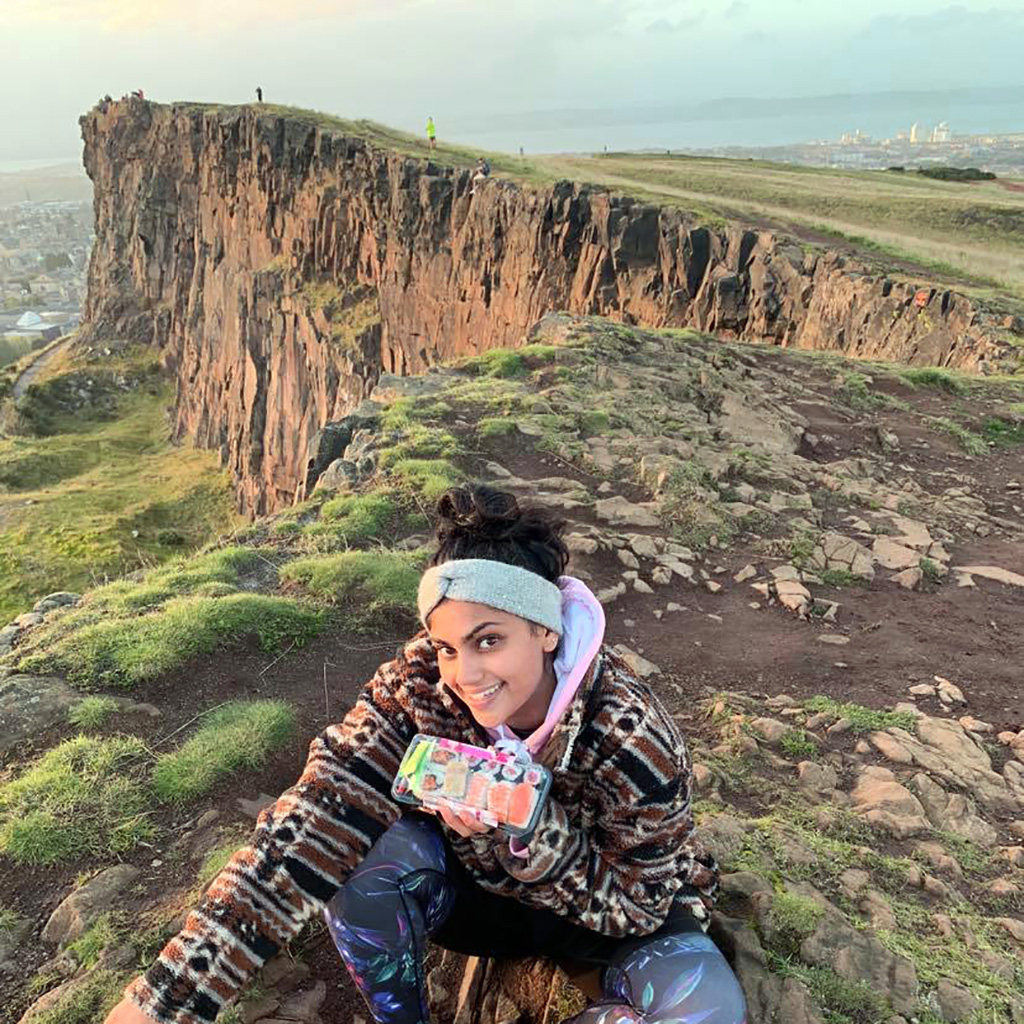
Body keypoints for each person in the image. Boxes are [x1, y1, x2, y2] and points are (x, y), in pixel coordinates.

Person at [103, 484, 747, 1024]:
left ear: (546, 630)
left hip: (603, 924)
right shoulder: (414, 690)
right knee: (356, 859)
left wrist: (535, 835)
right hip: (474, 901)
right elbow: (301, 835)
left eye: (488, 640)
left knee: (709, 1010)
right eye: (446, 646)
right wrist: (160, 1003)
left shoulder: (632, 736)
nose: (465, 674)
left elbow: (640, 901)